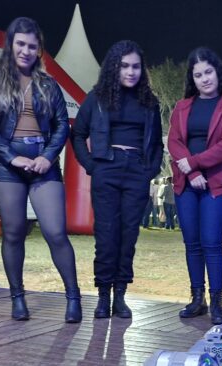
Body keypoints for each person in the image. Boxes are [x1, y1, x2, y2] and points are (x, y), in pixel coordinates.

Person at [0, 17, 81, 323]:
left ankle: (73, 297)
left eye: (32, 46)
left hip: (43, 163)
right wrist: (12, 157)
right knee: (13, 232)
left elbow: (62, 124)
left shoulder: (49, 84)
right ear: (10, 45)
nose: (25, 51)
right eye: (20, 44)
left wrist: (48, 156)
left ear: (39, 50)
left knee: (56, 232)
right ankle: (17, 298)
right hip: (5, 165)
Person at [71, 40, 163, 320]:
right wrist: (91, 166)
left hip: (137, 171)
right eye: (125, 66)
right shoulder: (97, 97)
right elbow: (77, 134)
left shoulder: (149, 102)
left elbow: (157, 144)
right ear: (114, 67)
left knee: (128, 236)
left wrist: (149, 171)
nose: (131, 72)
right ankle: (103, 296)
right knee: (106, 235)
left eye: (136, 66)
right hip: (106, 170)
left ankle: (120, 296)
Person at [167, 47, 222, 325]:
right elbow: (174, 142)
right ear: (193, 78)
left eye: (208, 72)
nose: (204, 79)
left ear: (218, 72)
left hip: (217, 183)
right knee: (192, 243)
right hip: (186, 183)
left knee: (211, 243)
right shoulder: (182, 106)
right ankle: (197, 299)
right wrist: (191, 173)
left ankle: (217, 302)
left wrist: (194, 163)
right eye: (198, 75)